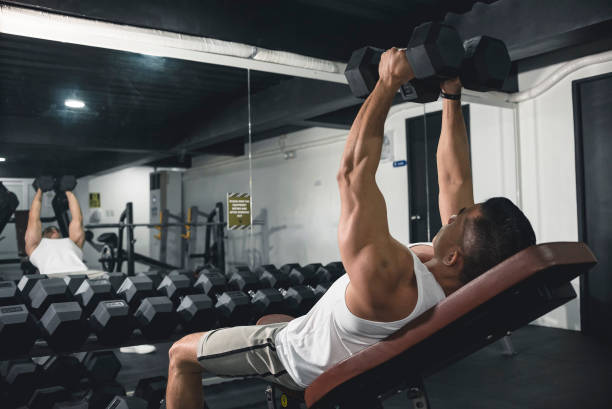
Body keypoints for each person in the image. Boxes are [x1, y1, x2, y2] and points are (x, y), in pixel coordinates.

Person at [165, 48, 536, 409]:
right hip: (321, 336)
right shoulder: (461, 279)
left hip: (291, 356)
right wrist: (451, 93)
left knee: (181, 354)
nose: (452, 216)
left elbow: (352, 175)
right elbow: (455, 176)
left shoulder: (391, 278)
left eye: (460, 219)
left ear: (455, 256)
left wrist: (388, 81)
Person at [25, 188, 87, 275]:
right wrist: (39, 191)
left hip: (81, 277)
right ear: (41, 236)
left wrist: (68, 191)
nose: (54, 230)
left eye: (56, 229)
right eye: (49, 230)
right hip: (54, 281)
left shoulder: (71, 242)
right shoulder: (35, 247)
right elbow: (33, 219)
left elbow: (78, 219)